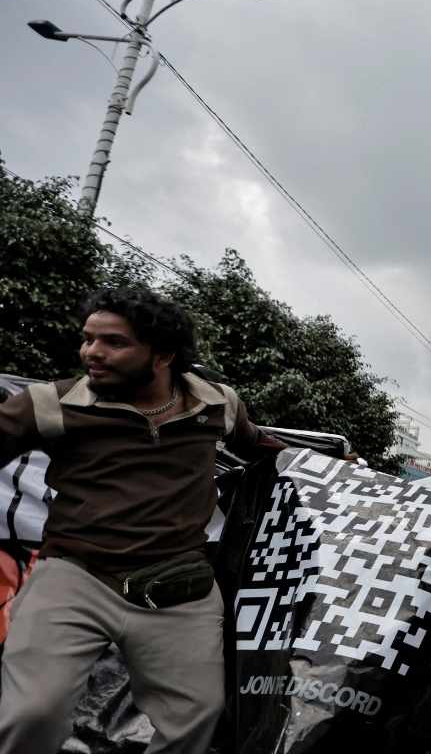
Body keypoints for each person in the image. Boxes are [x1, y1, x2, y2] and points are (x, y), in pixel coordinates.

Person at [0, 288, 283, 754]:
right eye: (88, 339)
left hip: (179, 589)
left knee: (196, 719)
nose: (92, 353)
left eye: (113, 342)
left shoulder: (218, 403)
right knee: (33, 713)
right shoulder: (51, 403)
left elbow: (259, 445)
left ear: (164, 354)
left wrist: (332, 465)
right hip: (76, 576)